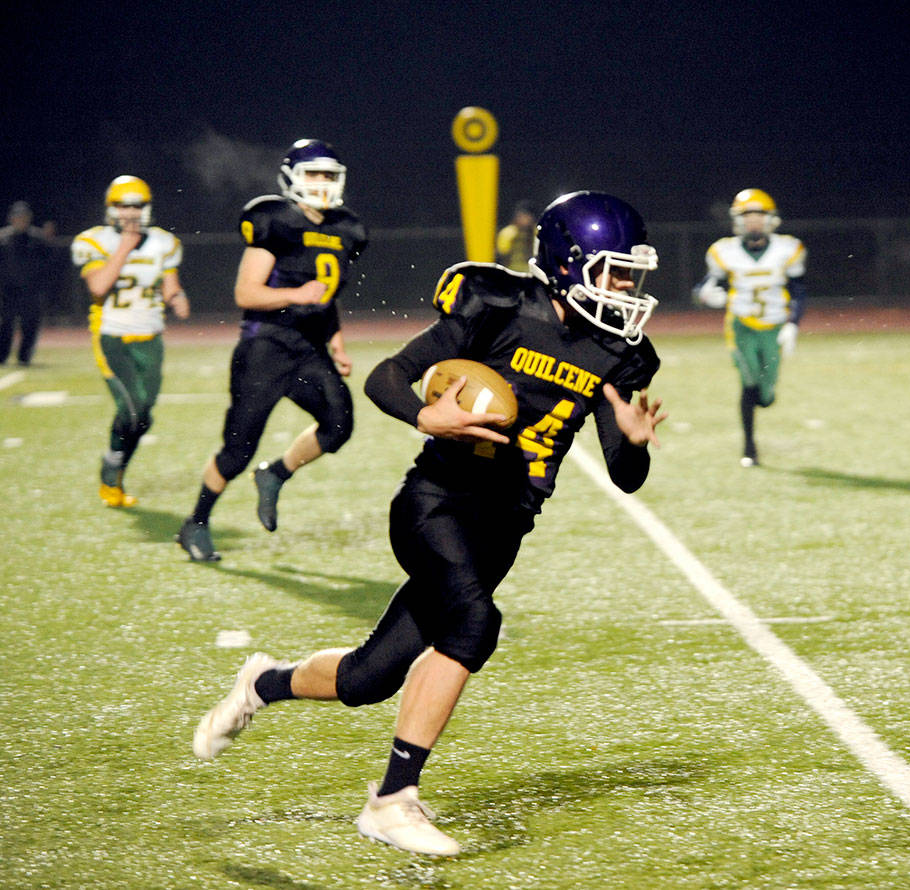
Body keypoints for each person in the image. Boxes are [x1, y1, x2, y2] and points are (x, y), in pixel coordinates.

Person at [191, 191, 666, 856]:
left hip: (505, 524)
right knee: (475, 625)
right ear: (568, 264)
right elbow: (389, 375)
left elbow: (624, 475)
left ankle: (260, 684)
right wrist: (425, 416)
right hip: (436, 500)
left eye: (630, 276)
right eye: (614, 272)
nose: (626, 289)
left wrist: (635, 443)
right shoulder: (498, 305)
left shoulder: (619, 353)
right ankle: (391, 800)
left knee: (367, 678)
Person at [176, 139, 367, 561]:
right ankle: (196, 523)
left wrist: (336, 341)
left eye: (327, 175)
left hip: (310, 348)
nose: (321, 183)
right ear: (292, 179)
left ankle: (276, 474)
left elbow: (327, 294)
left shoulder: (344, 229)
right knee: (236, 451)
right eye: (313, 174)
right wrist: (298, 294)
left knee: (339, 424)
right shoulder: (274, 221)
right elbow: (246, 292)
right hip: (266, 346)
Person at [70, 178, 191, 507]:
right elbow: (98, 286)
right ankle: (111, 467)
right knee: (131, 408)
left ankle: (117, 469)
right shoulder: (94, 241)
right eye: (124, 205)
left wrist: (178, 298)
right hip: (112, 336)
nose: (131, 212)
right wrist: (125, 246)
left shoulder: (164, 243)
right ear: (111, 208)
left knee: (143, 415)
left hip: (150, 336)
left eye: (137, 205)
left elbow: (170, 286)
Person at [694, 188, 806, 466]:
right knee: (749, 382)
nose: (754, 222)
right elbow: (703, 287)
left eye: (759, 216)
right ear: (738, 220)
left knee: (766, 397)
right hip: (740, 325)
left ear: (770, 219)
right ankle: (749, 448)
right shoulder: (724, 251)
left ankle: (761, 401)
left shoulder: (788, 249)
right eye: (748, 216)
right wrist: (706, 295)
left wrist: (793, 324)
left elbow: (799, 289)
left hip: (774, 326)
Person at [0, 200, 58, 366]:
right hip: (7, 291)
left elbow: (50, 264)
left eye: (24, 217)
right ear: (11, 219)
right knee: (5, 325)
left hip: (31, 291)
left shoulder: (38, 239)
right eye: (18, 217)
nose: (21, 220)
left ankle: (24, 358)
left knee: (30, 325)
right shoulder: (3, 239)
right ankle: (2, 357)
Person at [495, 199, 536, 271]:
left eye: (527, 216)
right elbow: (502, 252)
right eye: (522, 216)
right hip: (511, 271)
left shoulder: (535, 233)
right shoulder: (508, 233)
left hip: (530, 271)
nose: (524, 219)